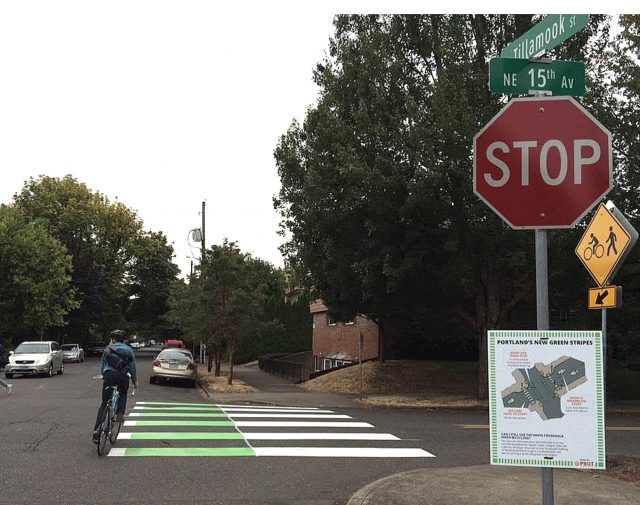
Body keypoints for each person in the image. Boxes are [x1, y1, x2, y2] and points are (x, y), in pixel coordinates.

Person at [92, 329, 137, 443]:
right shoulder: (129, 350)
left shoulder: (107, 349)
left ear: (113, 339)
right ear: (123, 340)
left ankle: (97, 430)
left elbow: (103, 366)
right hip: (122, 376)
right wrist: (134, 381)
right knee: (122, 393)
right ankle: (119, 415)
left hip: (109, 376)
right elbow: (132, 368)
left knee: (104, 402)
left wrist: (104, 375)